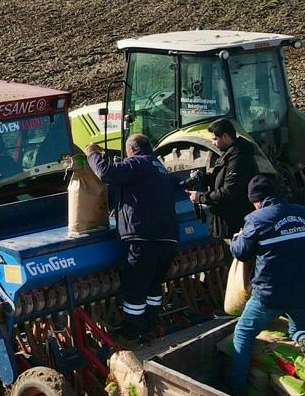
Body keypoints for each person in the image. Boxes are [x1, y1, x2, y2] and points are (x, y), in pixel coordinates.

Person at [228, 174, 305, 396]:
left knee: (243, 333)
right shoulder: (304, 213)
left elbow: (241, 252)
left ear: (256, 200)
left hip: (270, 294)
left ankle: (235, 391)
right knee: (298, 326)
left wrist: (237, 239)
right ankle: (302, 336)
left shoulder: (256, 219)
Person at [86, 133, 179, 342]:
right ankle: (151, 326)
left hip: (143, 240)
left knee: (135, 288)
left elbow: (105, 172)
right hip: (169, 239)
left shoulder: (137, 164)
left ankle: (131, 332)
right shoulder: (159, 166)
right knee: (154, 287)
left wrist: (92, 154)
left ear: (131, 149)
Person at [189, 118, 255, 239]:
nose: (213, 143)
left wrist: (201, 197)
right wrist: (204, 178)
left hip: (237, 221)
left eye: (215, 139)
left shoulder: (239, 158)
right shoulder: (229, 154)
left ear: (225, 136)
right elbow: (224, 179)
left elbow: (229, 190)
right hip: (230, 220)